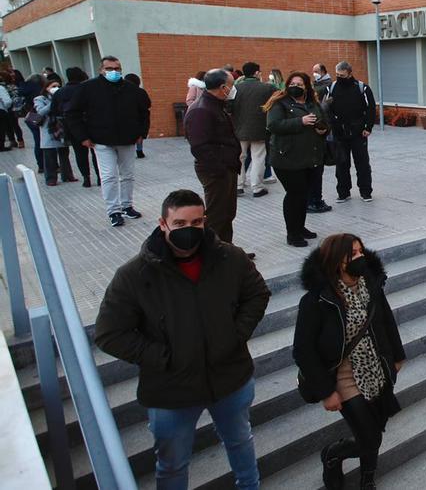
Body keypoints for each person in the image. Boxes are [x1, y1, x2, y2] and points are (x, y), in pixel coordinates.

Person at [94, 189, 270, 490]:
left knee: (241, 443)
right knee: (172, 465)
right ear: (163, 224)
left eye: (197, 222)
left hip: (230, 379)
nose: (189, 230)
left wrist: (236, 335)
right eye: (180, 223)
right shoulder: (135, 275)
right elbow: (109, 334)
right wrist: (164, 357)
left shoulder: (230, 257)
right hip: (170, 391)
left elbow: (256, 294)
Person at [293, 234, 405, 490]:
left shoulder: (371, 284)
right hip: (342, 376)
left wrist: (397, 356)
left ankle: (367, 479)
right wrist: (326, 391)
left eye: (360, 251)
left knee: (374, 430)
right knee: (371, 435)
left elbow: (386, 319)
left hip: (376, 369)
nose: (359, 257)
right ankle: (334, 455)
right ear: (336, 261)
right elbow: (303, 350)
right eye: (352, 254)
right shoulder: (317, 300)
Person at [64, 55, 152, 227]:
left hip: (127, 140)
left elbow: (144, 111)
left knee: (128, 175)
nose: (113, 72)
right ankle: (114, 210)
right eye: (109, 69)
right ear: (101, 70)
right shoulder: (88, 88)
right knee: (109, 176)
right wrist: (83, 137)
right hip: (101, 140)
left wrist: (142, 133)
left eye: (117, 68)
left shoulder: (131, 89)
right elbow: (72, 113)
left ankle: (127, 206)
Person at [265, 72, 328, 247]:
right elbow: (274, 125)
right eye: (293, 83)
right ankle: (292, 234)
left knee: (303, 196)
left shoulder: (312, 103)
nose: (296, 87)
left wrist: (323, 129)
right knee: (294, 195)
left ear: (307, 86)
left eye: (300, 84)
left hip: (310, 157)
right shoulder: (280, 103)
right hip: (287, 159)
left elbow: (324, 121)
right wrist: (300, 121)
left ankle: (300, 227)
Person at [184, 69, 243, 247]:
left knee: (227, 213)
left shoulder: (216, 105)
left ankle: (226, 249)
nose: (233, 89)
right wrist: (220, 169)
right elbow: (200, 146)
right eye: (232, 85)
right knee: (217, 215)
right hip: (216, 171)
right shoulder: (201, 110)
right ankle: (212, 253)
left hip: (226, 168)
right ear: (223, 87)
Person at [328, 61, 377, 203]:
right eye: (337, 75)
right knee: (341, 164)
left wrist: (368, 128)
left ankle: (365, 192)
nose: (339, 77)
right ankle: (343, 192)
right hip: (339, 133)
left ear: (350, 73)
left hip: (358, 132)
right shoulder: (331, 88)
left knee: (362, 163)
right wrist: (332, 124)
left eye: (342, 75)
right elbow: (325, 108)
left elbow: (371, 109)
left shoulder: (362, 88)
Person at [230, 62, 276, 198]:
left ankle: (238, 186)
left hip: (239, 129)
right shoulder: (267, 88)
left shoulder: (235, 88)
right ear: (256, 73)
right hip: (259, 129)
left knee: (240, 158)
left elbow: (229, 107)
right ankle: (257, 187)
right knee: (258, 158)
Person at [54, 67, 98, 186]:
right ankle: (100, 177)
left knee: (80, 153)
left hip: (72, 126)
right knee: (96, 152)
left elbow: (54, 110)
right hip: (91, 124)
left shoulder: (60, 92)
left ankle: (86, 178)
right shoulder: (88, 89)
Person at [34, 75, 77, 186]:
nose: (56, 88)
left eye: (58, 86)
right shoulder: (40, 99)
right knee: (49, 155)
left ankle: (67, 175)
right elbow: (40, 112)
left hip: (61, 128)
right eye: (53, 86)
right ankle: (51, 178)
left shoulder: (63, 97)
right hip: (48, 129)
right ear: (47, 88)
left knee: (64, 153)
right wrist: (53, 102)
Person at [306, 65, 334, 215]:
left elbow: (324, 121)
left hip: (318, 145)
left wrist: (325, 129)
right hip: (308, 147)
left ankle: (316, 200)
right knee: (312, 175)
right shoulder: (305, 105)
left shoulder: (317, 100)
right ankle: (312, 201)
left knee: (317, 174)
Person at [22, 74, 46, 172]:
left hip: (30, 115)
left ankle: (40, 165)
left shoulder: (24, 88)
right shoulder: (39, 90)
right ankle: (47, 164)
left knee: (37, 140)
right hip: (38, 115)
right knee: (43, 140)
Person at [124, 73, 148, 158]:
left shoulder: (124, 93)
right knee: (139, 135)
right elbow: (148, 103)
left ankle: (130, 150)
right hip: (141, 117)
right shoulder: (141, 92)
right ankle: (139, 150)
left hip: (129, 117)